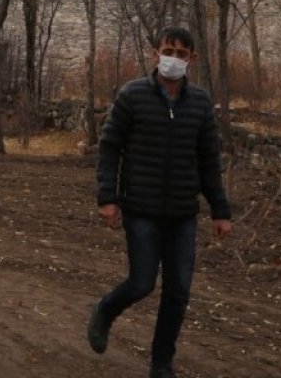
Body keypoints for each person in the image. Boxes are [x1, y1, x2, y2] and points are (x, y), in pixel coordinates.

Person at [87, 26, 234, 378]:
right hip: (141, 208)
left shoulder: (199, 103)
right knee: (142, 282)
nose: (173, 59)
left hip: (182, 213)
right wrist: (107, 197)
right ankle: (106, 310)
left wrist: (220, 210)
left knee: (178, 291)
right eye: (168, 51)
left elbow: (209, 161)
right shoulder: (132, 95)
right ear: (155, 53)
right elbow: (110, 147)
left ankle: (161, 363)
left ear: (192, 58)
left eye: (181, 54)